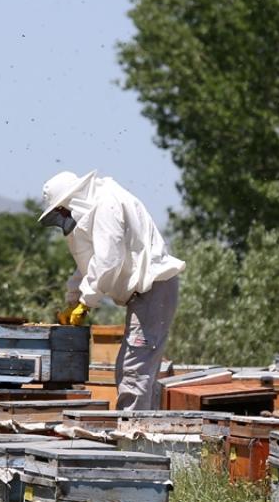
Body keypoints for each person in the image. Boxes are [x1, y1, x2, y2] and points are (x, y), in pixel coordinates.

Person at [38, 170, 185, 410]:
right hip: (148, 293)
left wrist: (86, 301)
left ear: (72, 199)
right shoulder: (99, 203)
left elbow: (108, 261)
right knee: (133, 367)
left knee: (134, 369)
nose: (63, 216)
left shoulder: (107, 205)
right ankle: (143, 428)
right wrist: (73, 299)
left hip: (154, 289)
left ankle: (132, 435)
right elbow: (89, 262)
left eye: (62, 210)